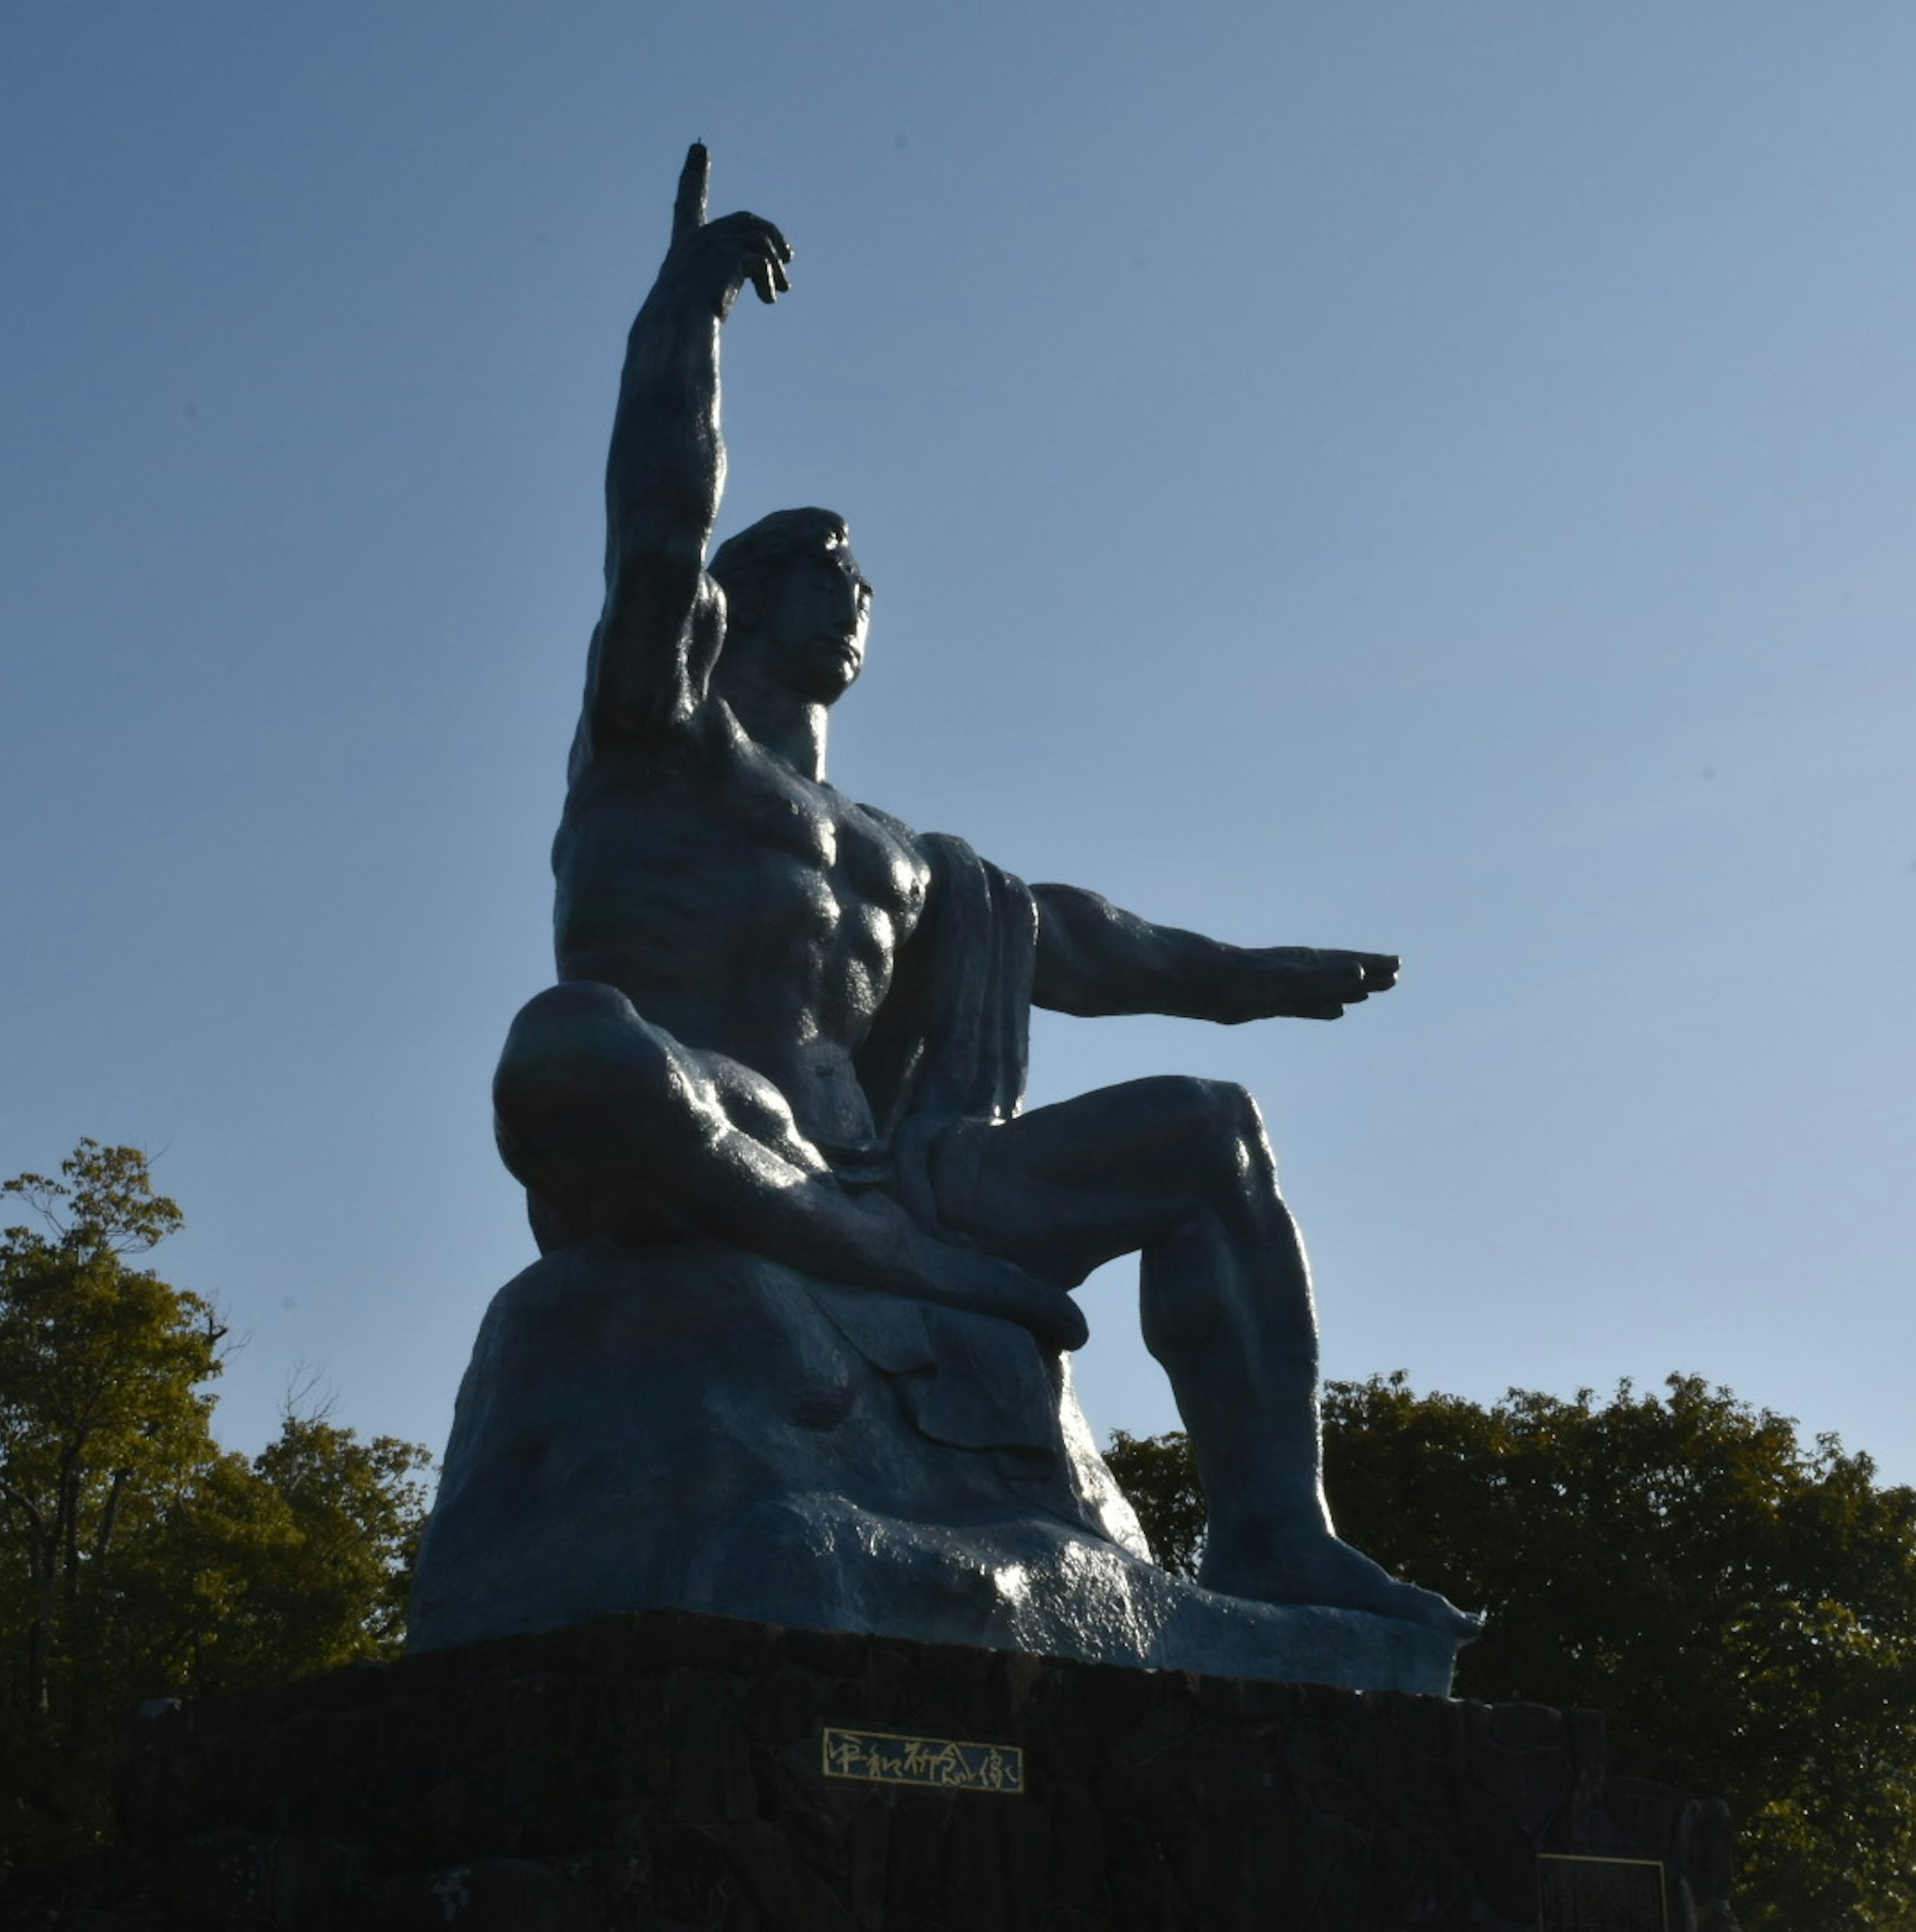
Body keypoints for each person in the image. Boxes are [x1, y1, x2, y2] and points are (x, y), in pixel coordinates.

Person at [494, 146, 1465, 1632]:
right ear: (745, 598)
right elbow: (654, 524)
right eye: (831, 560)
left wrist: (1256, 977)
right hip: (697, 1134)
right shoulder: (662, 739)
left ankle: (1274, 1528)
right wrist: (682, 312)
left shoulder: (906, 854)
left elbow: (1082, 938)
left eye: (863, 570)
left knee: (1210, 1131)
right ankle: (888, 1265)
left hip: (906, 1179)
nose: (861, 586)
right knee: (568, 1042)